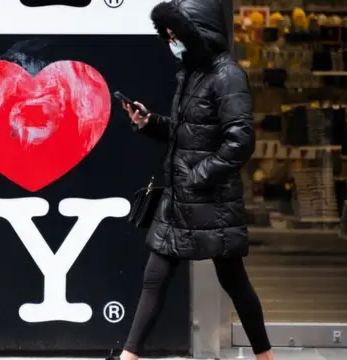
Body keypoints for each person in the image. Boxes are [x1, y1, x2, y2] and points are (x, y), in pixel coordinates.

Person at [114, 0, 274, 359]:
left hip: (210, 202)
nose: (172, 42)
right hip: (180, 200)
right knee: (155, 277)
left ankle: (265, 356)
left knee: (235, 282)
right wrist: (149, 122)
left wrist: (198, 177)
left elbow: (241, 140)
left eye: (177, 34)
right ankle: (129, 355)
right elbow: (188, 135)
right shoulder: (191, 73)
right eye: (167, 36)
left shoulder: (226, 75)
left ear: (198, 32)